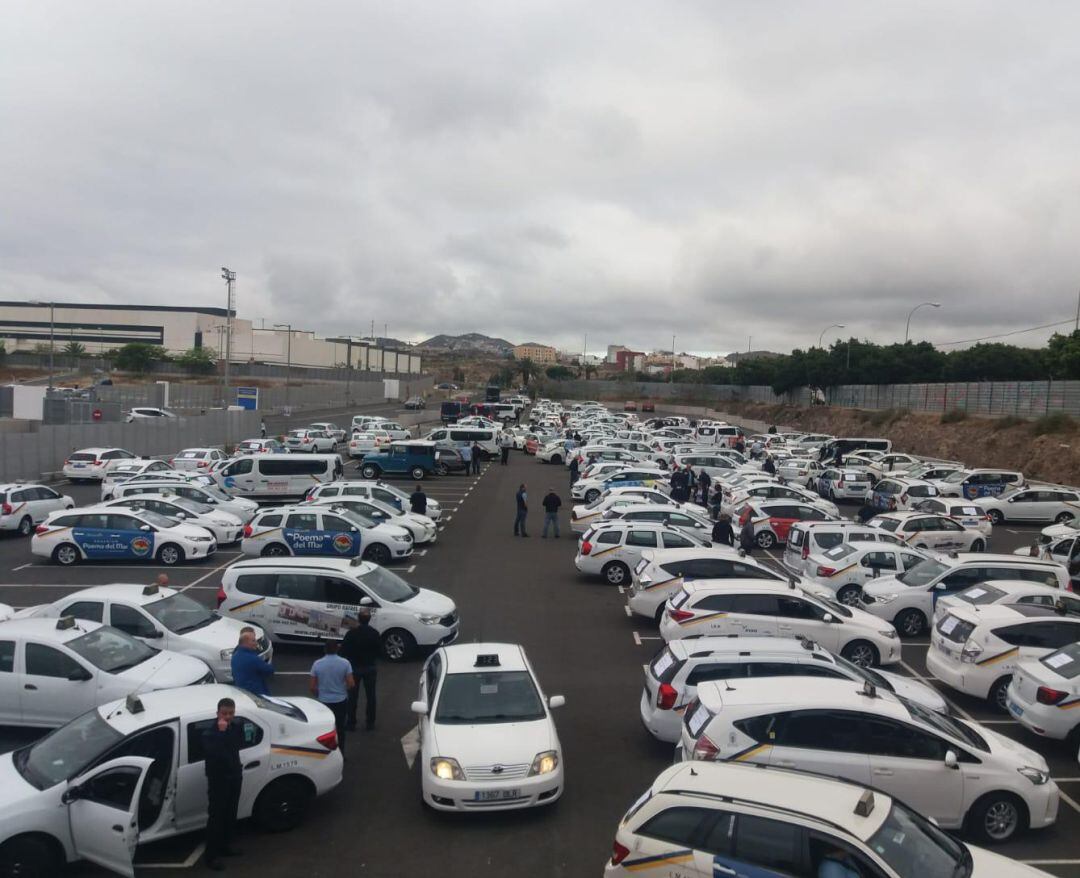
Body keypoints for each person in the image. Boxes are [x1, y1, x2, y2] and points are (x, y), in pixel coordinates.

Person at [202, 697, 244, 870]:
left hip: (234, 777)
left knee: (230, 814)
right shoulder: (210, 733)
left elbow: (237, 746)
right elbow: (215, 754)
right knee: (216, 818)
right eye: (224, 713)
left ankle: (226, 846)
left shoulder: (234, 728)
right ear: (217, 713)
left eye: (231, 713)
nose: (228, 717)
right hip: (219, 781)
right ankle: (211, 856)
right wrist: (220, 733)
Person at [310, 641, 355, 756]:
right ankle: (341, 753)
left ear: (325, 649)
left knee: (324, 729)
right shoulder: (345, 663)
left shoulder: (317, 664)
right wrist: (343, 690)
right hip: (340, 700)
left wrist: (319, 694)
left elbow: (312, 687)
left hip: (324, 701)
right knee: (340, 728)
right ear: (337, 649)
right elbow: (351, 683)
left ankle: (326, 753)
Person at [340, 611, 380, 731]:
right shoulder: (374, 633)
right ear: (369, 619)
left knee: (352, 696)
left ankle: (351, 722)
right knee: (371, 696)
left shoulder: (351, 633)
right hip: (370, 667)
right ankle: (370, 722)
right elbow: (380, 650)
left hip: (354, 667)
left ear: (358, 619)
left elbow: (343, 651)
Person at [230, 628, 274, 695]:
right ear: (245, 643)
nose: (256, 643)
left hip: (242, 692)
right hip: (256, 694)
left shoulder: (235, 655)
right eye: (253, 641)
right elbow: (270, 670)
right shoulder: (252, 659)